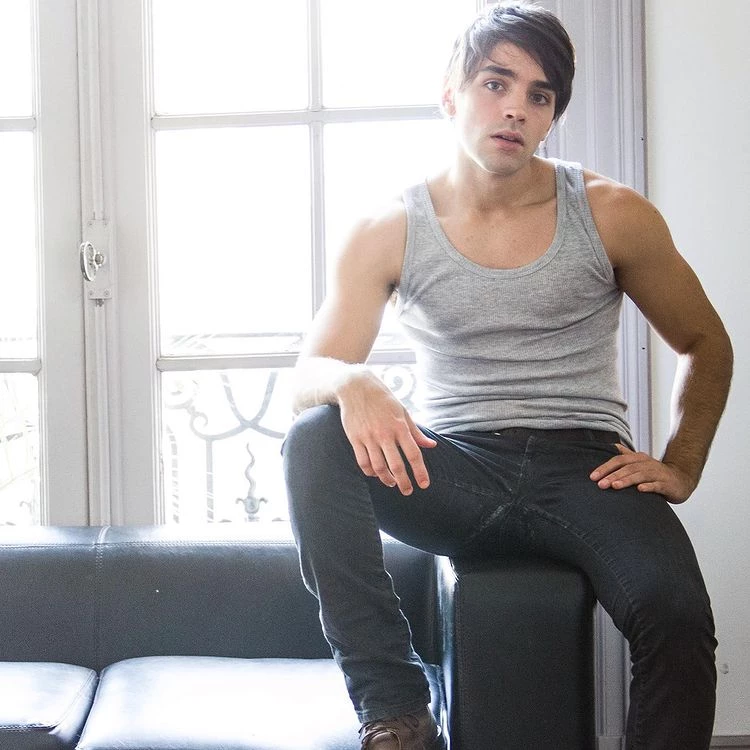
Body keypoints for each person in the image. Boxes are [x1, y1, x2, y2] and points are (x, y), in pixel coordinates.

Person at [282, 2, 734, 748]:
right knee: (313, 438)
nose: (516, 109)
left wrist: (682, 463)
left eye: (539, 95)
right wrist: (353, 383)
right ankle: (398, 712)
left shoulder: (612, 214)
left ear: (552, 115)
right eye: (496, 83)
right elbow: (307, 376)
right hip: (456, 468)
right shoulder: (389, 229)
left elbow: (706, 342)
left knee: (678, 617)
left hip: (587, 468)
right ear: (451, 95)